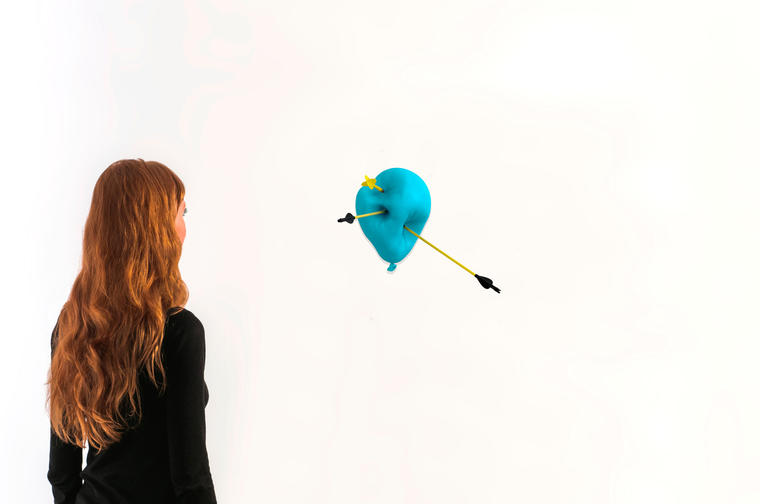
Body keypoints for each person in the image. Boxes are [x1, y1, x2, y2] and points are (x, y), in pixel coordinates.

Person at [45, 159, 217, 503]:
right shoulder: (180, 332)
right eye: (181, 214)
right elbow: (191, 479)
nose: (184, 228)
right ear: (156, 230)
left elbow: (62, 473)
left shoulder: (74, 324)